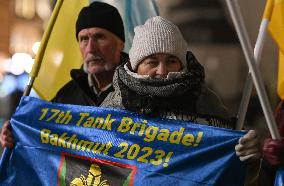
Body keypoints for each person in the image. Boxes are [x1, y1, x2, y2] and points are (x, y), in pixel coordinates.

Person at [100, 16, 261, 184]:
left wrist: (248, 160)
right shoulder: (113, 107)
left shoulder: (205, 102)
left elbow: (228, 173)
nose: (162, 71)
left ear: (182, 65)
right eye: (152, 62)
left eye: (171, 61)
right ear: (136, 66)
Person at [0, 2, 127, 148]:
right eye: (84, 39)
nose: (91, 48)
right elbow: (41, 143)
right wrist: (15, 135)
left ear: (120, 43)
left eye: (99, 37)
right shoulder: (66, 97)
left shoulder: (143, 93)